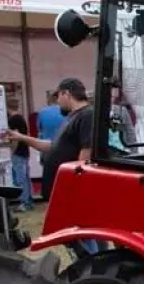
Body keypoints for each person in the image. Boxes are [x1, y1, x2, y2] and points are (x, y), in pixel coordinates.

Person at [7, 78, 99, 255]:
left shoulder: (86, 115)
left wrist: (75, 186)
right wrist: (21, 138)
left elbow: (86, 151)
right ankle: (91, 268)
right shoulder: (73, 117)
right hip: (65, 189)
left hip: (73, 190)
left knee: (79, 236)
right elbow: (52, 146)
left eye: (58, 96)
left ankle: (91, 270)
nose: (57, 101)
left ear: (67, 93)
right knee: (79, 236)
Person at [6, 105, 33, 211]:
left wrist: (12, 151)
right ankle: (29, 202)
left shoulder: (13, 119)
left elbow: (15, 137)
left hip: (18, 152)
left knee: (20, 179)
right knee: (26, 178)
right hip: (25, 150)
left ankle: (24, 203)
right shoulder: (21, 118)